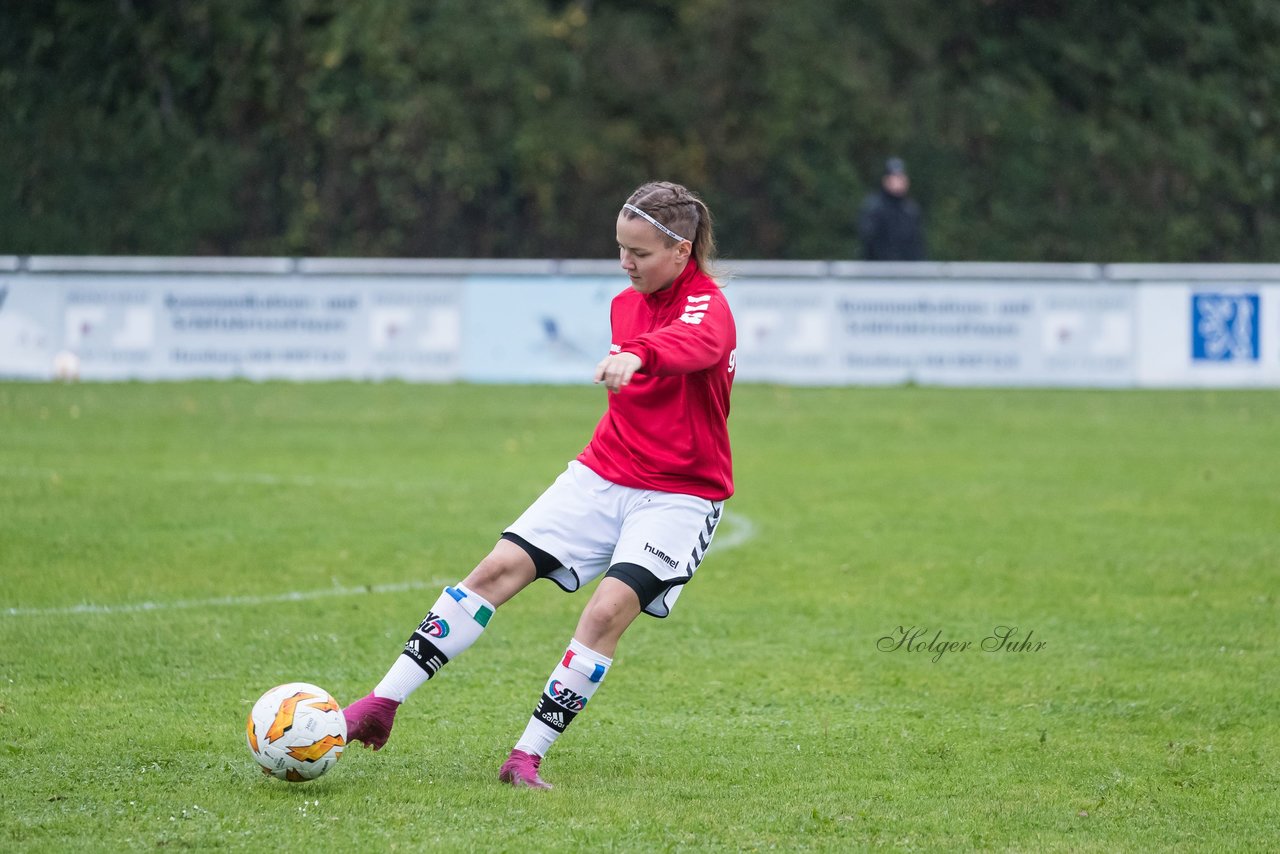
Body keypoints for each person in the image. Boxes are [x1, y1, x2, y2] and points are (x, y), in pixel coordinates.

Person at [341, 180, 738, 789]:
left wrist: (641, 356)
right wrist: (635, 351)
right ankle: (381, 703)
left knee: (607, 611)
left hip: (679, 496)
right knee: (494, 571)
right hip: (603, 472)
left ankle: (525, 756)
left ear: (681, 252)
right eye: (620, 249)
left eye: (640, 253)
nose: (625, 263)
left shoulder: (709, 306)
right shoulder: (624, 303)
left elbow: (695, 342)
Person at [858, 156, 926, 261]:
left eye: (901, 177)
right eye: (894, 178)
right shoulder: (874, 207)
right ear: (885, 180)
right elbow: (870, 241)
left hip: (907, 271)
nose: (898, 182)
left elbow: (917, 244)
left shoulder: (911, 209)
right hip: (878, 271)